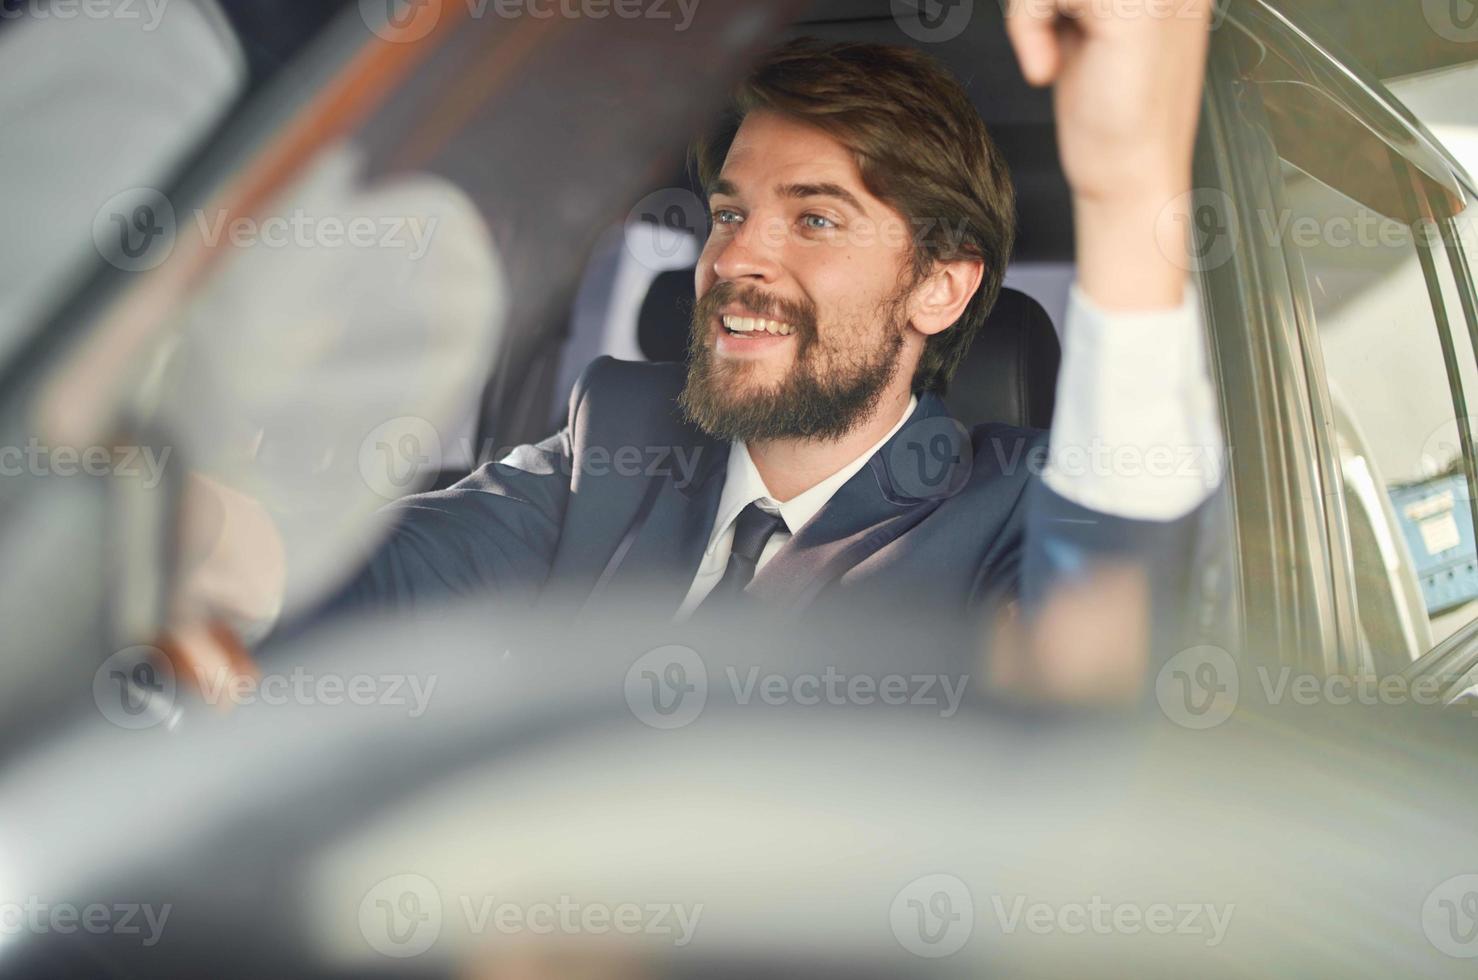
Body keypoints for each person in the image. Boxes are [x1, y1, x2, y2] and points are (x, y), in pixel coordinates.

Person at [179, 0, 1224, 704]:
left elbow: (1092, 654)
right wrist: (153, 513)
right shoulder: (618, 433)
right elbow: (378, 574)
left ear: (939, 288)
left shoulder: (1005, 512)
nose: (736, 260)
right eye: (729, 213)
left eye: (814, 221)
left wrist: (1129, 191)